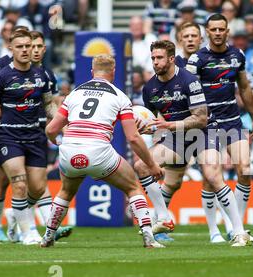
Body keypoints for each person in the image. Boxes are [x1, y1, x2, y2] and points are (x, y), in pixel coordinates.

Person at [41, 54, 164, 249]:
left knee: (65, 192)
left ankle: (48, 237)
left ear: (92, 72)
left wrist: (59, 143)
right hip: (98, 152)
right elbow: (133, 138)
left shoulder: (75, 93)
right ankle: (149, 238)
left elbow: (50, 130)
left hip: (70, 151)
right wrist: (151, 164)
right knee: (132, 187)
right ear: (113, 72)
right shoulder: (119, 96)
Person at [135, 40, 251, 247]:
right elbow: (153, 121)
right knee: (142, 166)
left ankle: (239, 232)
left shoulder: (189, 81)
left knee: (213, 177)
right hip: (177, 136)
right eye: (153, 58)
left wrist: (168, 126)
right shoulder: (150, 88)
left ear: (171, 59)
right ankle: (163, 217)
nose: (155, 62)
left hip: (204, 133)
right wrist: (145, 127)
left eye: (159, 58)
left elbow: (200, 119)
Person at [186, 14, 253, 243]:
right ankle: (213, 231)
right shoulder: (196, 60)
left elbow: (244, 87)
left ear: (227, 31)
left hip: (233, 120)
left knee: (245, 170)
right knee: (211, 177)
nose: (217, 33)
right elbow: (188, 94)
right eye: (213, 29)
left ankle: (237, 227)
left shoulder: (238, 55)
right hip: (207, 125)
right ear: (207, 32)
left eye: (221, 29)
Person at [0, 29, 54, 245]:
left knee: (38, 188)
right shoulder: (1, 76)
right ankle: (28, 232)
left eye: (28, 46)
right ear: (11, 49)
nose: (25, 50)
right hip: (9, 136)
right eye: (20, 46)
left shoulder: (42, 75)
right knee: (19, 184)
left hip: (35, 136)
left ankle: (15, 215)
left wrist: (64, 121)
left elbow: (49, 105)